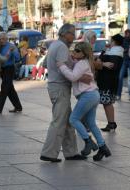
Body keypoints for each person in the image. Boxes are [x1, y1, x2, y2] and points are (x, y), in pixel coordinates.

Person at [40, 23, 91, 162]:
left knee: (68, 121)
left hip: (56, 86)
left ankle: (71, 152)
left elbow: (45, 64)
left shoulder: (54, 45)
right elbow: (64, 69)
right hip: (59, 87)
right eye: (72, 33)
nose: (73, 36)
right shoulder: (62, 47)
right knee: (59, 121)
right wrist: (80, 75)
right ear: (64, 34)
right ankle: (49, 153)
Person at [58, 41, 111, 161]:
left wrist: (61, 66)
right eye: (74, 50)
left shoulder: (81, 63)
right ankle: (103, 147)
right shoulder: (85, 62)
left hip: (87, 95)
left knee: (73, 119)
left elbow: (72, 77)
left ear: (84, 53)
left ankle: (88, 142)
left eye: (77, 51)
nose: (74, 52)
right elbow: (77, 75)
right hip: (93, 95)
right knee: (91, 123)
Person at [96, 34, 124, 132]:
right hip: (105, 81)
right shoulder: (111, 51)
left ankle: (111, 123)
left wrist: (101, 63)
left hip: (108, 81)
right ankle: (111, 123)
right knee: (106, 103)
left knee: (107, 102)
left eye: (110, 41)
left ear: (114, 42)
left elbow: (112, 66)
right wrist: (104, 52)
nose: (109, 42)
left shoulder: (116, 53)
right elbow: (99, 60)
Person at [0, 32, 22, 114]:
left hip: (9, 69)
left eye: (4, 39)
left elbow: (17, 58)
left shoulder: (11, 46)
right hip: (1, 70)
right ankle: (18, 107)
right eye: (1, 39)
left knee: (4, 87)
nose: (2, 40)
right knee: (10, 89)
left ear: (6, 39)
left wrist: (13, 51)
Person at [117, 29, 130, 101]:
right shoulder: (123, 40)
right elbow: (120, 49)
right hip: (124, 60)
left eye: (128, 34)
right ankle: (118, 94)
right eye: (126, 34)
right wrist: (124, 50)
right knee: (120, 78)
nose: (127, 35)